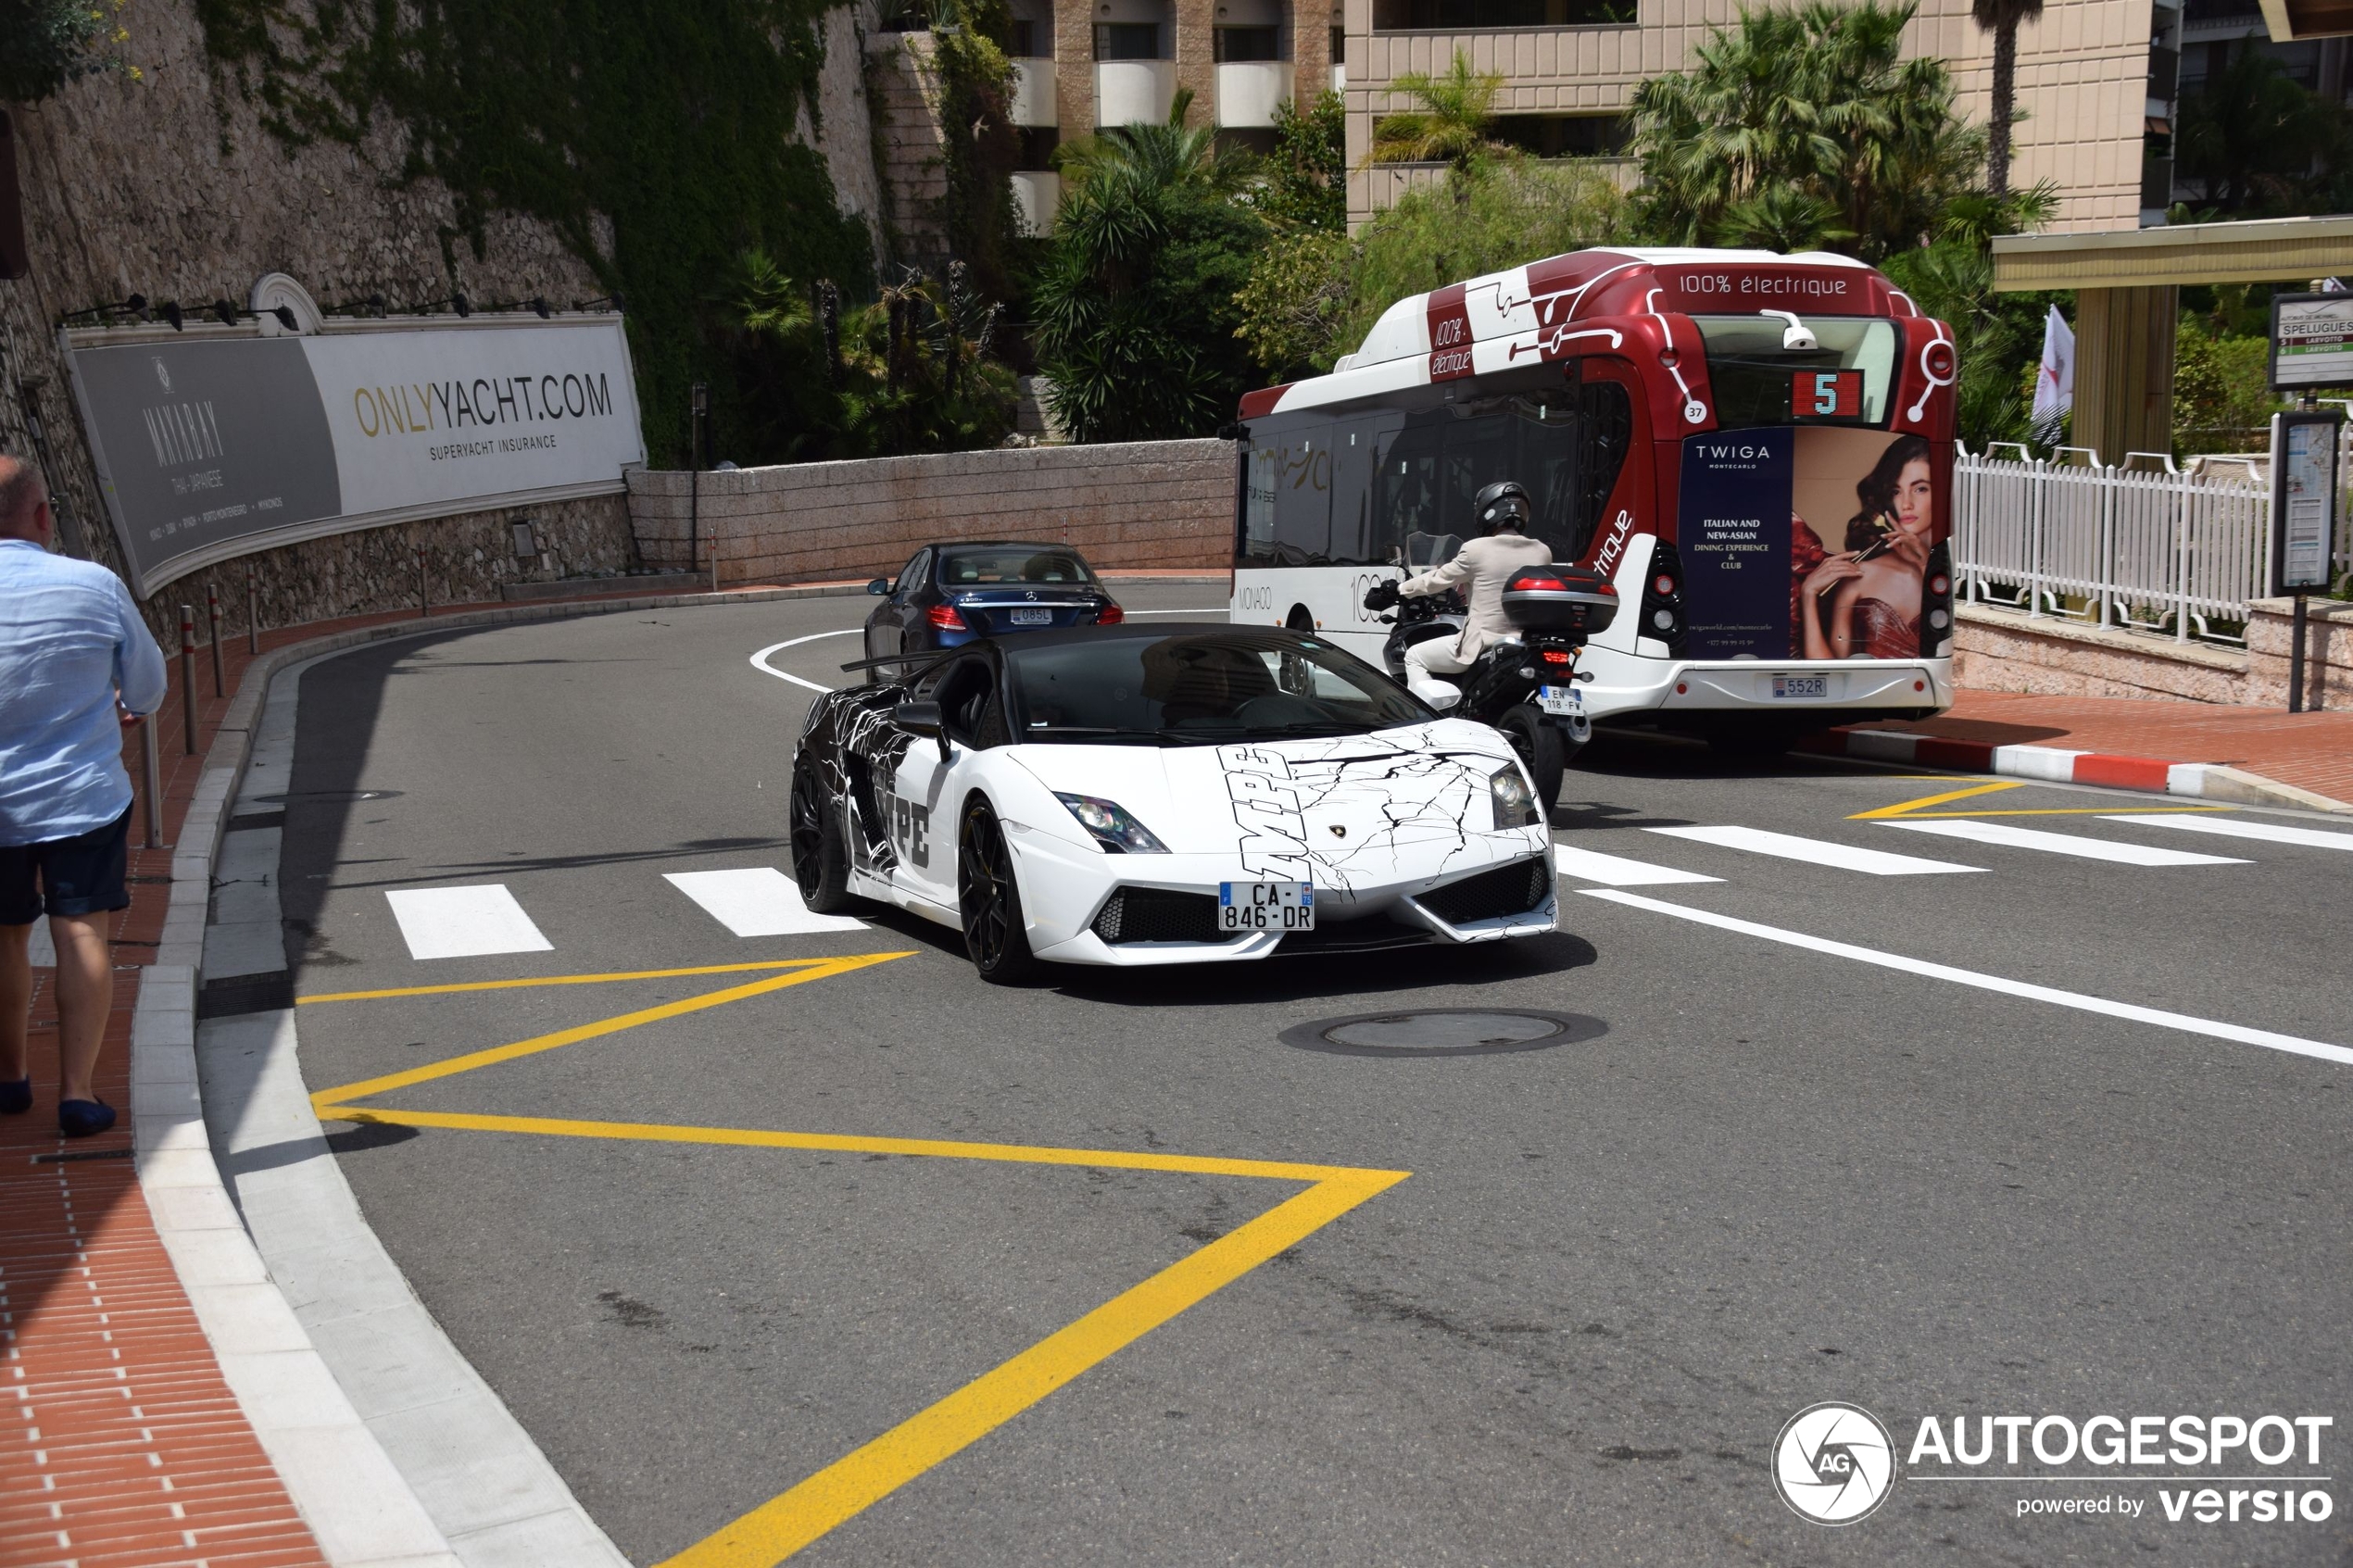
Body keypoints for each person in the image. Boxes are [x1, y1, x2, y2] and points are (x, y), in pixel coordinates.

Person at [0, 458, 167, 1137]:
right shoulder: (92, 584)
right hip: (81, 797)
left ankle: (9, 1078)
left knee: (4, 935)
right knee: (80, 929)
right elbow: (150, 686)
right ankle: (78, 1092)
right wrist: (121, 700)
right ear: (42, 515)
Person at [1396, 481, 1554, 709]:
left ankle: (1427, 720)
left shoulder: (1476, 549)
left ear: (1487, 512)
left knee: (1414, 656)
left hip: (1482, 643)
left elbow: (1436, 580)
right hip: (1526, 644)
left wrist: (1400, 589)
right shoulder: (1542, 551)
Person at [1797, 434, 1935, 661]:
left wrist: (1923, 564)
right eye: (1896, 491)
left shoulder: (1957, 572)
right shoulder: (1860, 575)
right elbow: (1832, 672)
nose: (1906, 503)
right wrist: (1808, 595)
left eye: (1920, 489)